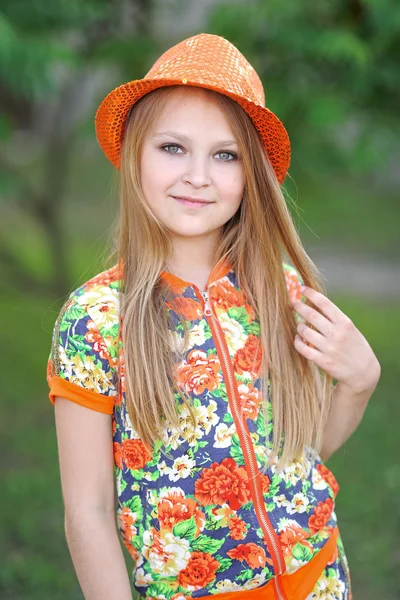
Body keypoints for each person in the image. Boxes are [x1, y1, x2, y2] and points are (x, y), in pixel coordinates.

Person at [46, 33, 381, 600]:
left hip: (322, 580)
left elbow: (297, 457)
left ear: (252, 175)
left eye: (225, 155)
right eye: (173, 148)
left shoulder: (279, 287)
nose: (198, 175)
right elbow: (88, 512)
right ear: (134, 155)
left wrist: (359, 383)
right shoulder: (95, 319)